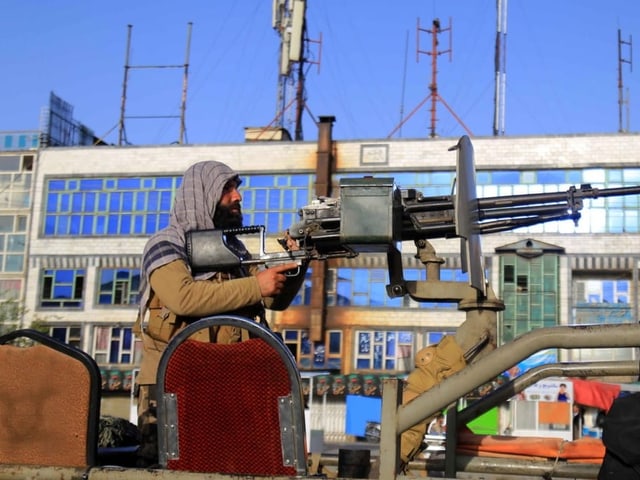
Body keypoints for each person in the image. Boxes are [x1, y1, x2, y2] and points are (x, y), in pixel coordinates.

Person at [133, 161, 307, 466]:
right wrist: (256, 286)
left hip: (230, 384)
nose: (238, 196)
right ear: (203, 194)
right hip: (172, 388)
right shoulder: (165, 243)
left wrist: (299, 260)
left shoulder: (233, 249)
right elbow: (183, 297)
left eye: (236, 188)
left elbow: (274, 300)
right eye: (227, 189)